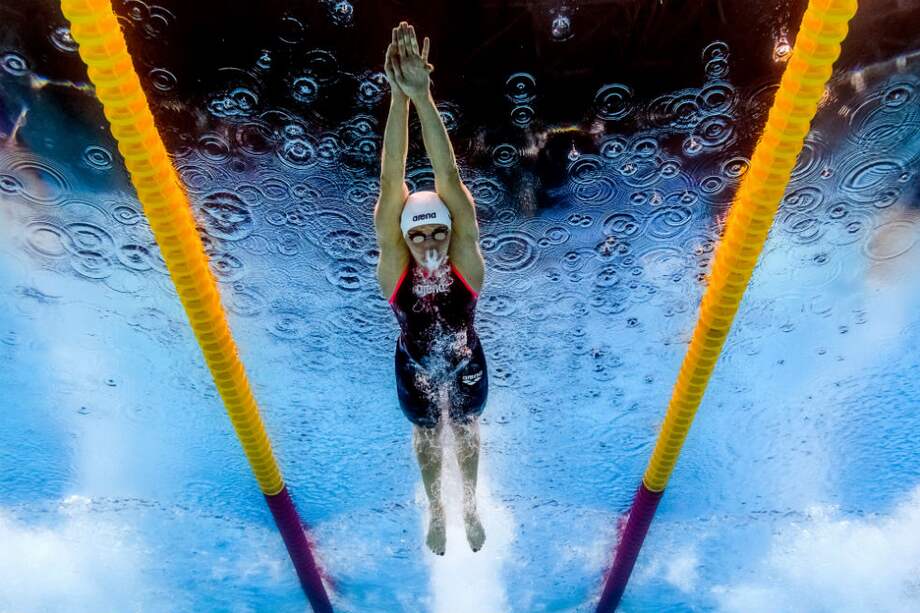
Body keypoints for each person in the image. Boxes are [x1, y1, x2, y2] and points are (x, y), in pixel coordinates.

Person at [373, 21, 488, 556]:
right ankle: (438, 513)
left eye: (438, 230)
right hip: (414, 367)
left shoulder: (467, 264)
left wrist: (422, 95)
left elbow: (449, 182)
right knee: (425, 439)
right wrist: (400, 98)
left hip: (465, 363)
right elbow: (390, 184)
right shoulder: (395, 270)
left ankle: (468, 505)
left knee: (464, 432)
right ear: (403, 237)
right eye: (417, 234)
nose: (429, 241)